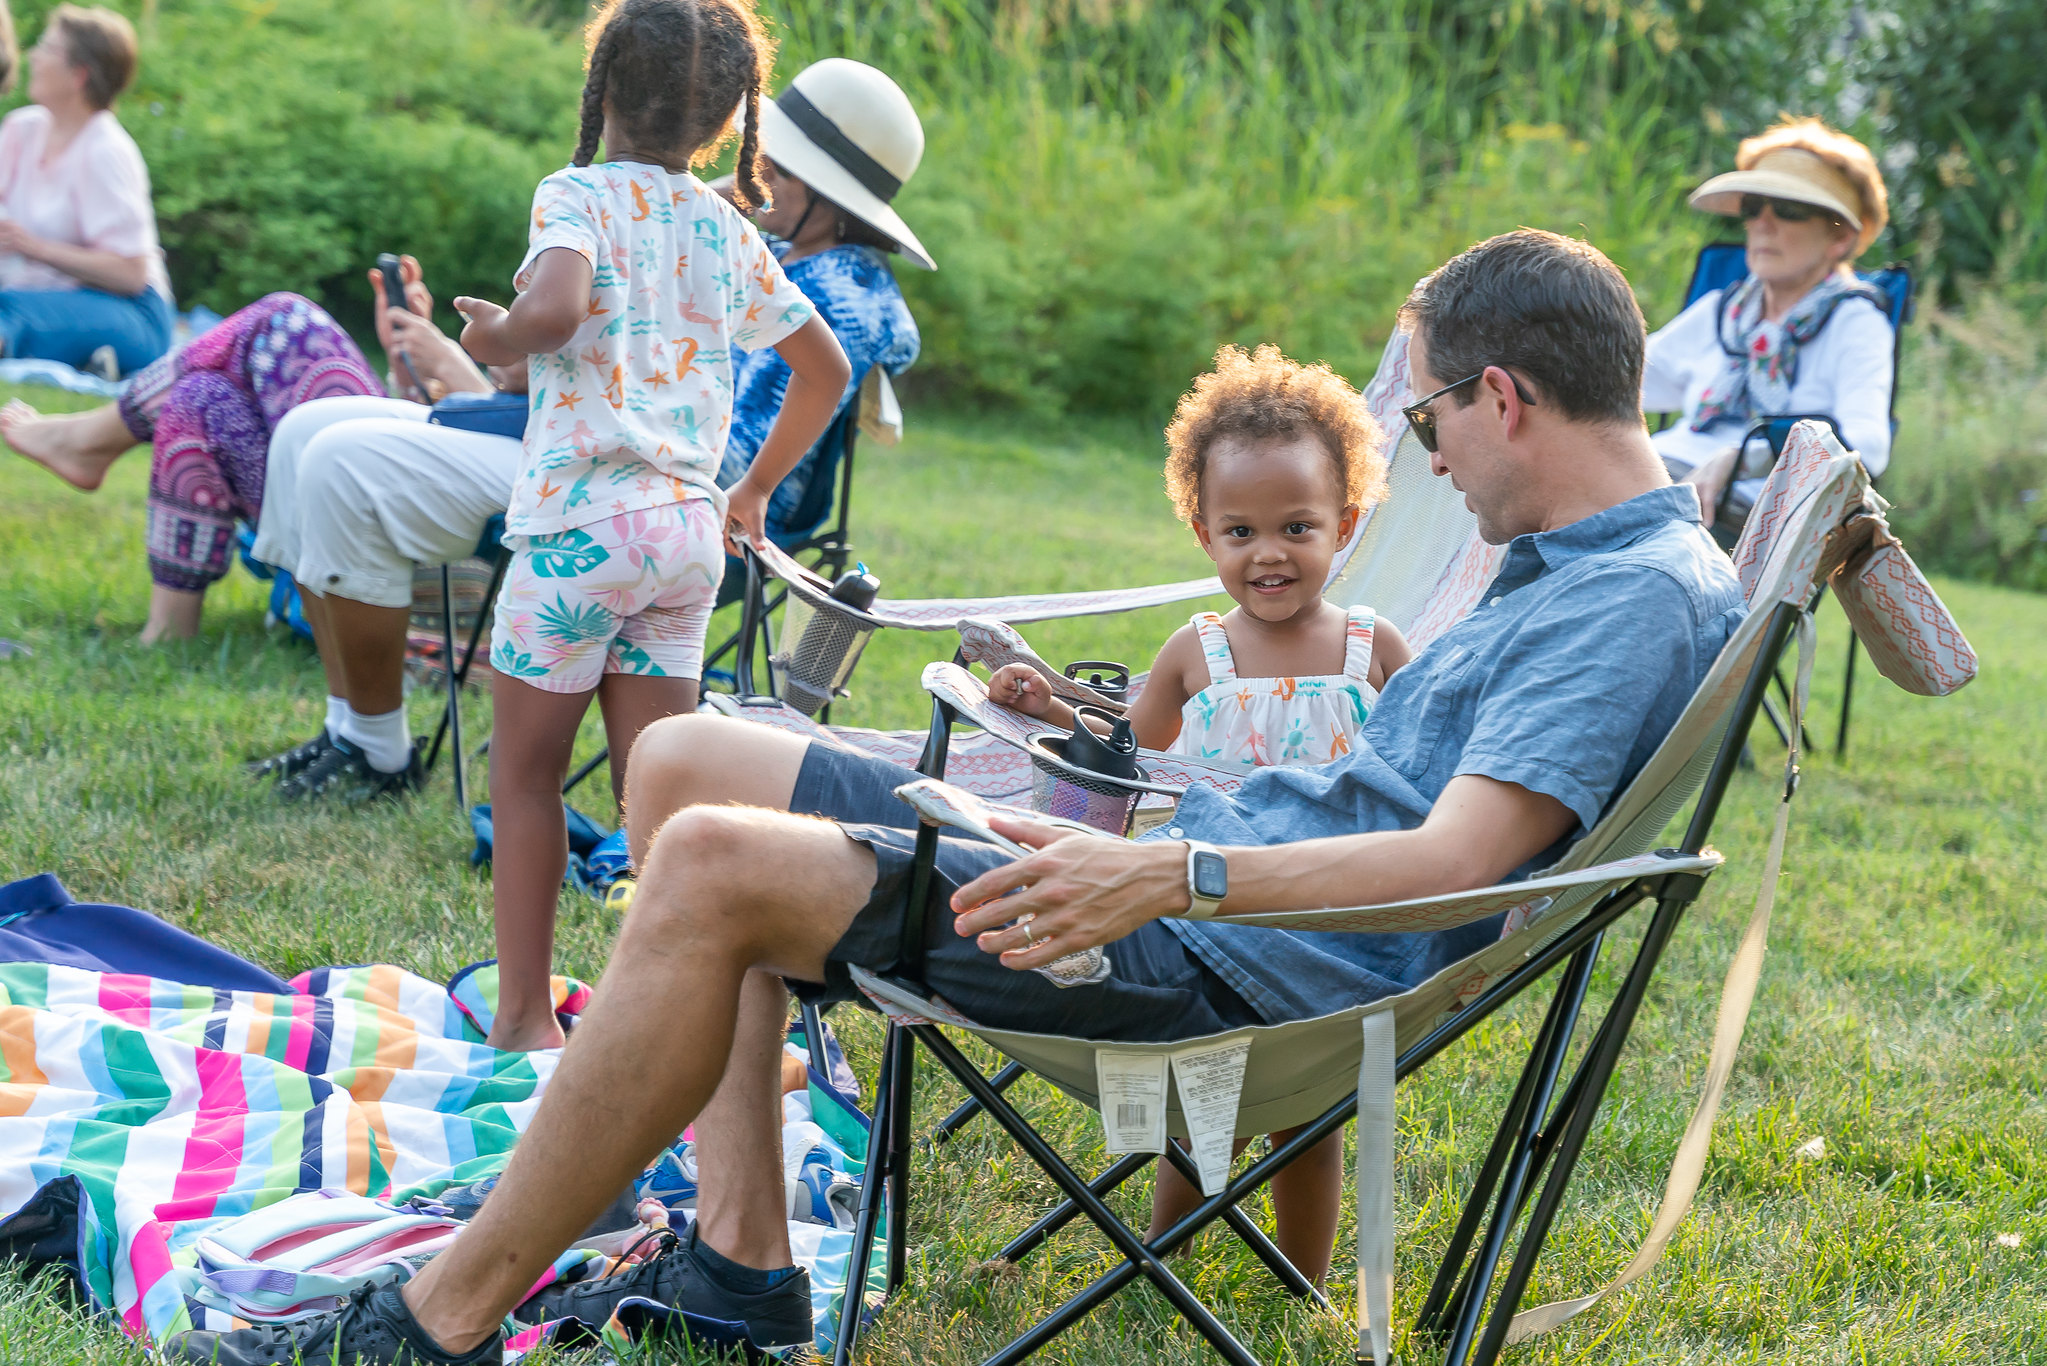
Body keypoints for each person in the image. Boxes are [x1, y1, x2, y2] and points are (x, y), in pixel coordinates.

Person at [168, 228, 1746, 1366]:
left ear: (1503, 394)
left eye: (1429, 424)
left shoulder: (1615, 606)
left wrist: (1166, 873)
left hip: (1215, 968)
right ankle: (738, 1260)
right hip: (1174, 881)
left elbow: (1460, 862)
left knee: (712, 857)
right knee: (679, 754)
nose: (1434, 457)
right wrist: (1136, 819)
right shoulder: (1593, 565)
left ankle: (429, 1322)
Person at [242, 57, 932, 801]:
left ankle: (376, 749)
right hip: (602, 453)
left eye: (767, 166)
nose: (747, 172)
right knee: (308, 428)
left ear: (822, 198)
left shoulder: (829, 288)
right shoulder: (773, 247)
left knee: (342, 462)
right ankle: (351, 728)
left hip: (650, 491)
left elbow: (705, 442)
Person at [450, 0, 849, 1053]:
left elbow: (551, 312)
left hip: (583, 528)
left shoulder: (574, 192)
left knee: (528, 778)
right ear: (725, 123)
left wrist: (500, 333)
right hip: (683, 536)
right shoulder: (722, 223)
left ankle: (526, 1017)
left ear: (604, 90)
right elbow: (826, 370)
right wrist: (750, 492)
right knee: (661, 801)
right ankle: (664, 1025)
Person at [989, 342, 1410, 1285]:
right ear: (1203, 534)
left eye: (1298, 527)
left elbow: (1431, 757)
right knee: (1193, 1094)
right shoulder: (1198, 650)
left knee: (1306, 1109)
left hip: (1324, 919)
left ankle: (1298, 1281)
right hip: (1203, 913)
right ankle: (1163, 1261)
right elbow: (1126, 760)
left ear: (1343, 525)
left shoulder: (1372, 646)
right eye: (1241, 531)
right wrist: (1050, 710)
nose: (1270, 553)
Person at [0, 292, 381, 642]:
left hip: (404, 563)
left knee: (286, 319)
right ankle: (169, 629)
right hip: (383, 523)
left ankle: (89, 440)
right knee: (200, 400)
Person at [714, 56, 924, 586]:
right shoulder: (791, 253)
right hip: (692, 468)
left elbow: (739, 455)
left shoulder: (841, 297)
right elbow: (684, 217)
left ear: (833, 199)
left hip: (734, 506)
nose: (752, 170)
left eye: (776, 166)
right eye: (756, 154)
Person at [1644, 117, 1894, 525]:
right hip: (1660, 478)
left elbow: (1868, 445)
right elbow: (1621, 383)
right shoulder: (1722, 312)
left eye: (1788, 209)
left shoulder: (1855, 323)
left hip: (1748, 511)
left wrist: (1744, 458)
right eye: (1753, 206)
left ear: (1840, 238)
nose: (1762, 223)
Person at [0, 4, 172, 376]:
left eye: (46, 48)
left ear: (79, 75)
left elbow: (130, 274)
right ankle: (88, 361)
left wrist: (35, 248)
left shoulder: (105, 151)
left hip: (131, 312)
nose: (31, 56)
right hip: (43, 297)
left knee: (8, 309)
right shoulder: (21, 129)